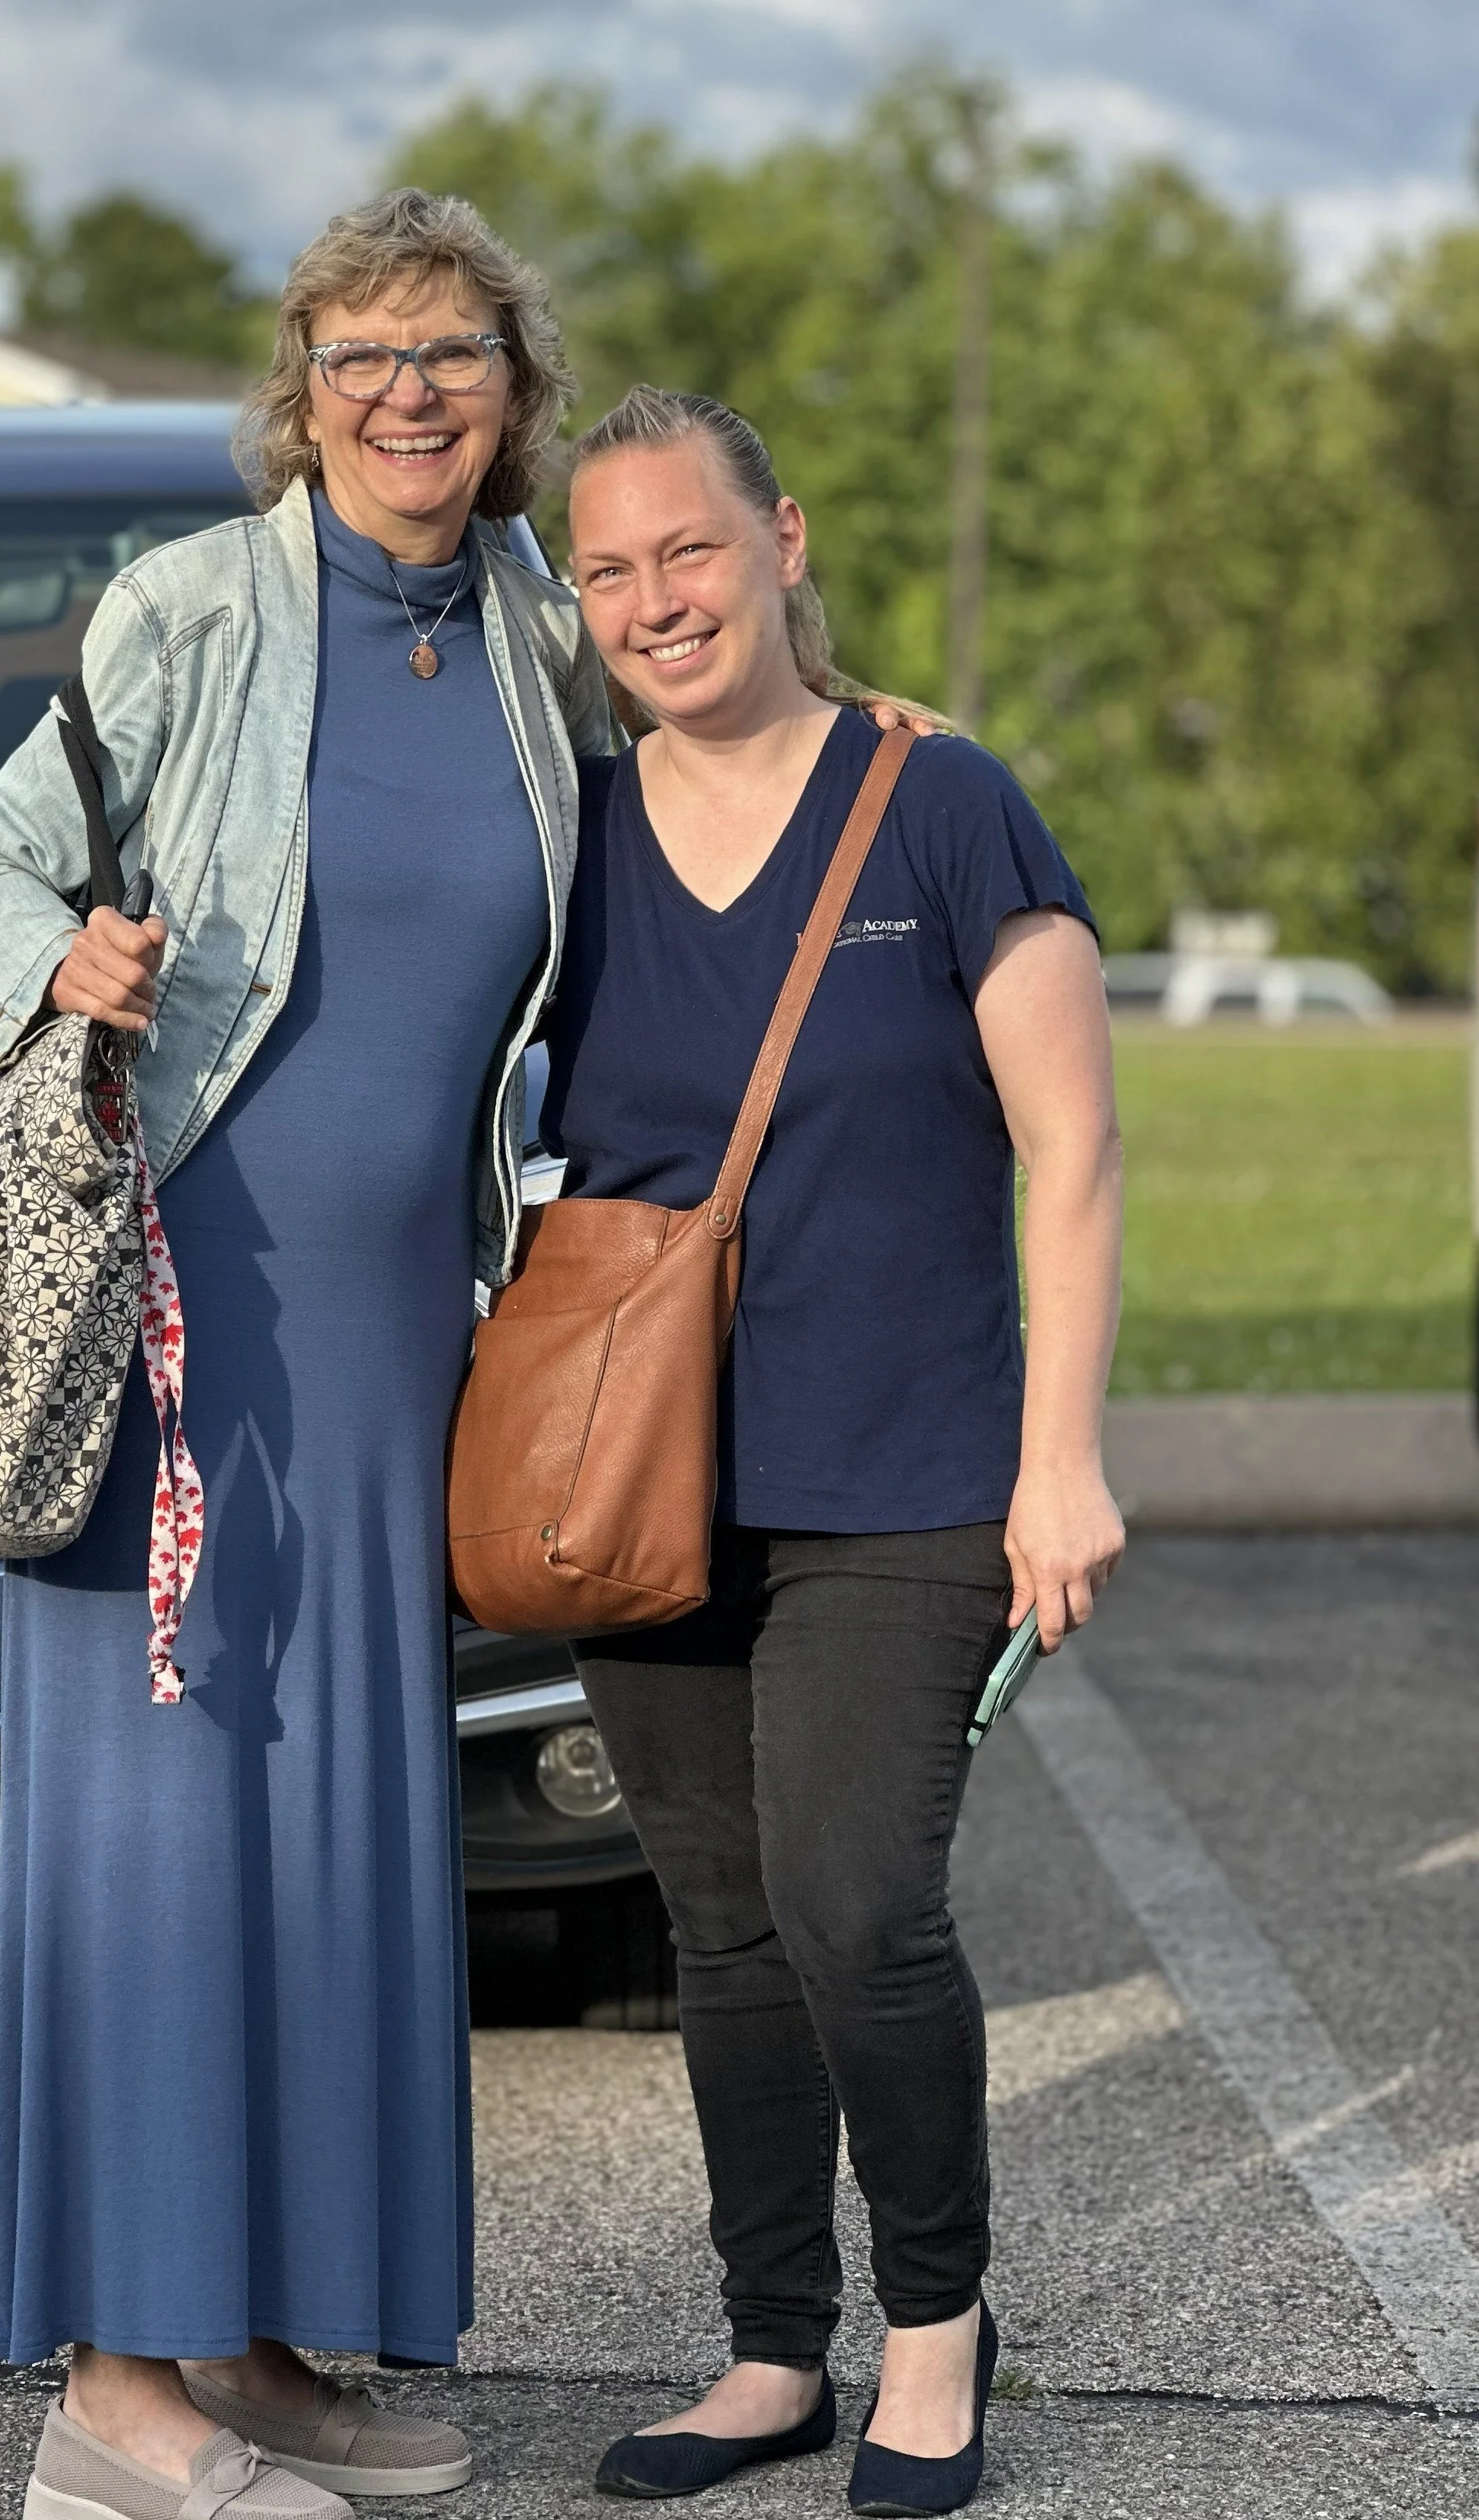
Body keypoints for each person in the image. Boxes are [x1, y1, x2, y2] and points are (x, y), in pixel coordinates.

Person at [0, 190, 613, 2520]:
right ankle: (114, 2401)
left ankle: (255, 2341)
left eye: (450, 351)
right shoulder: (197, 605)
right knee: (158, 1837)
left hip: (412, 1328)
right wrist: (65, 967)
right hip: (176, 1318)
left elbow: (697, 789)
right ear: (300, 392)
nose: (404, 390)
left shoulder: (537, 636)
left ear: (517, 388)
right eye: (358, 354)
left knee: (339, 1841)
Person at [539, 388, 1125, 2514]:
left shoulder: (944, 802)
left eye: (687, 550)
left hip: (910, 1459)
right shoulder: (573, 837)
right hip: (648, 1474)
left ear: (781, 540)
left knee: (858, 1899)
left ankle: (937, 2335)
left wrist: (1062, 1455)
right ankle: (771, 2346)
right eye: (606, 571)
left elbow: (1071, 1142)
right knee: (716, 1920)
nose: (654, 602)